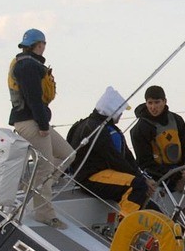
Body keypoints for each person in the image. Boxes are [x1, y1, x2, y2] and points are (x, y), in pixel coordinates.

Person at [7, 28, 72, 226]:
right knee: (45, 166)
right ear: (40, 45)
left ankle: (38, 188)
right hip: (30, 122)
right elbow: (33, 98)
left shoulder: (28, 63)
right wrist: (43, 125)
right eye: (43, 44)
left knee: (68, 154)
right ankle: (45, 214)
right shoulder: (27, 67)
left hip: (35, 120)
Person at [66, 87, 156, 217]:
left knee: (145, 197)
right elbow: (114, 160)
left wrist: (143, 177)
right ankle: (123, 229)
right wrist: (141, 180)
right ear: (112, 111)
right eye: (120, 111)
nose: (121, 114)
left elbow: (127, 158)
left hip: (105, 174)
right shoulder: (95, 129)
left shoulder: (103, 127)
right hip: (90, 178)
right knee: (137, 186)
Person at [130, 85, 185, 189]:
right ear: (146, 103)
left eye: (157, 102)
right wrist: (168, 173)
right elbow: (145, 163)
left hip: (180, 169)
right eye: (150, 103)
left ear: (164, 101)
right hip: (159, 176)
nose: (153, 107)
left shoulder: (176, 120)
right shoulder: (139, 129)